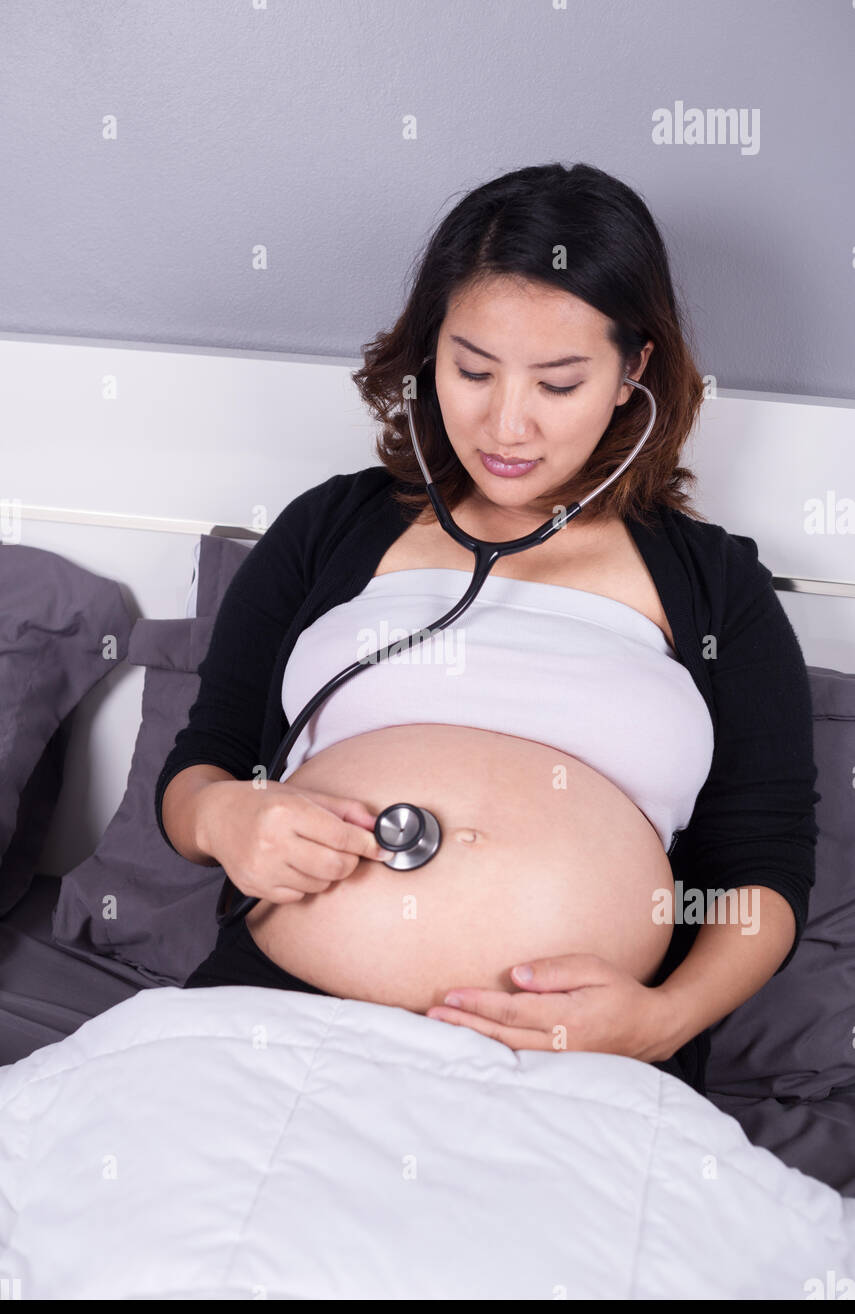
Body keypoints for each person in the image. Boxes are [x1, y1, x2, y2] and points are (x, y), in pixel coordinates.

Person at [155, 161, 819, 1097]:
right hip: (276, 1013)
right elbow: (204, 762)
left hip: (567, 1063)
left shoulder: (716, 588)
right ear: (429, 353)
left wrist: (660, 1020)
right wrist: (224, 818)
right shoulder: (330, 529)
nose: (506, 424)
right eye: (471, 370)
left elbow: (765, 868)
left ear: (634, 371)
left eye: (557, 383)